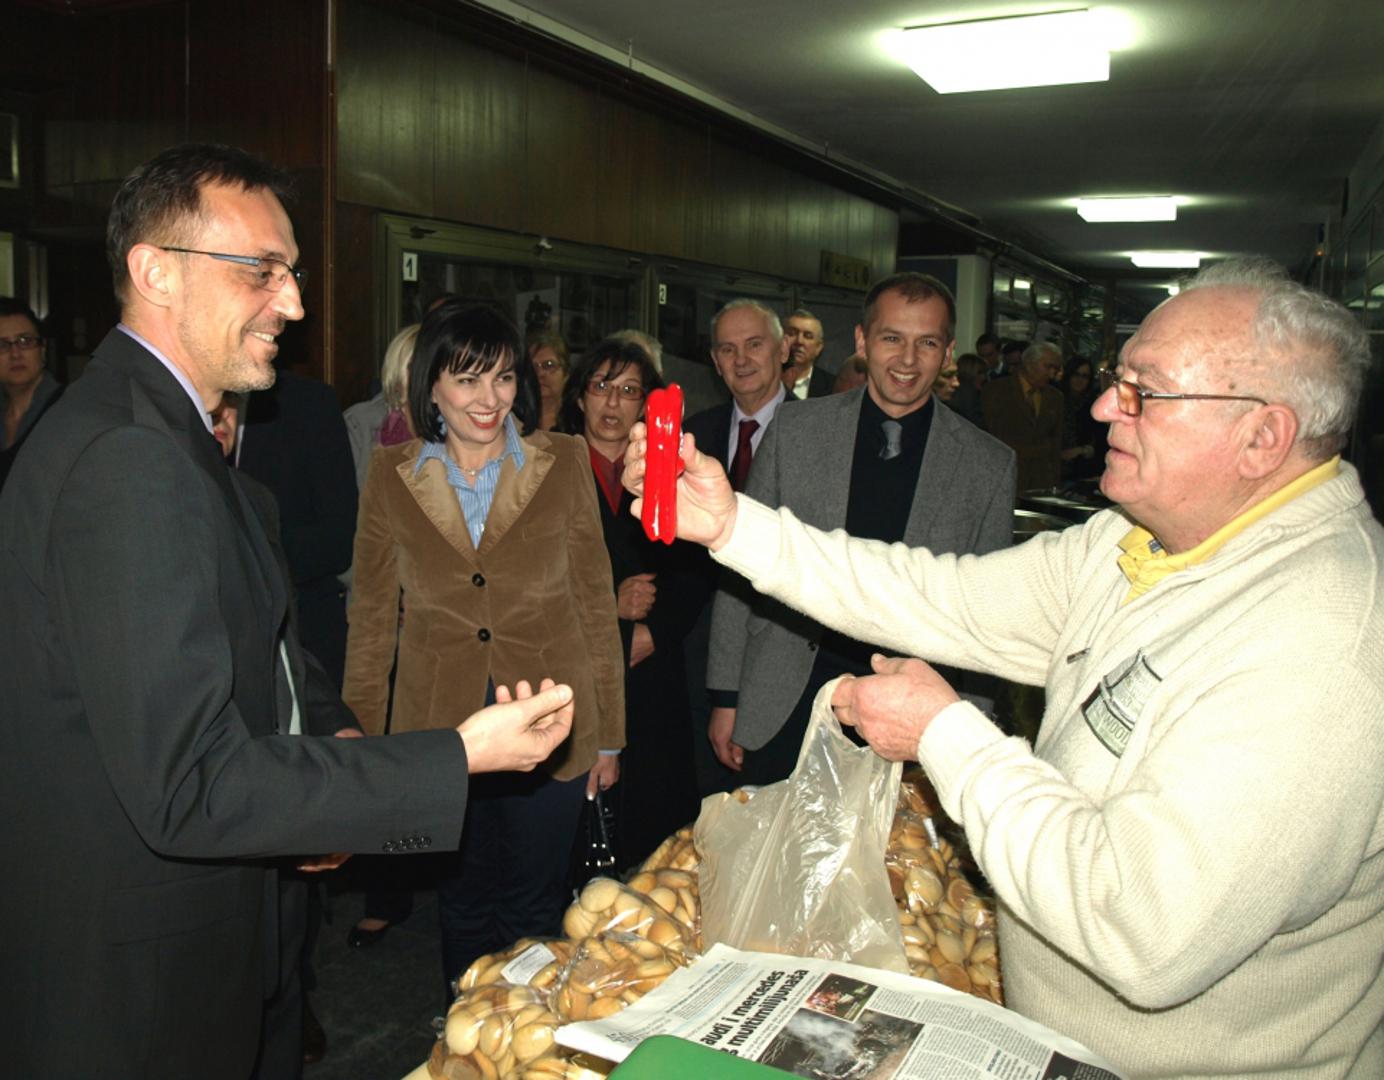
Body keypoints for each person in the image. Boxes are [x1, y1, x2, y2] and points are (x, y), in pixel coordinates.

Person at [622, 257, 1384, 1079]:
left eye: (1145, 392)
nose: (1102, 407)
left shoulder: (1320, 636)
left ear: (1262, 437)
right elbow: (937, 596)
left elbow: (1141, 929)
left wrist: (944, 734)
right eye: (1117, 381)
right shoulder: (1140, 543)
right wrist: (733, 526)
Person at [0, 142, 575, 1080]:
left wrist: (333, 731)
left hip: (225, 936)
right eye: (261, 271)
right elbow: (190, 782)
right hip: (143, 983)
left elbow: (261, 646)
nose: (294, 304)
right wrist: (457, 755)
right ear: (156, 271)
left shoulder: (171, 436)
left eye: (292, 274)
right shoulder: (127, 458)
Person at [342, 299, 624, 988]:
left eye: (502, 377)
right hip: (442, 726)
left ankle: (526, 1033)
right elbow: (371, 620)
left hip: (551, 719)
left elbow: (595, 602)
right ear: (431, 386)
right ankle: (468, 1030)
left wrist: (609, 737)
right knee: (462, 903)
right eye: (467, 379)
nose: (488, 399)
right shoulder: (392, 475)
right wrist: (362, 749)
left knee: (535, 904)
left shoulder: (563, 460)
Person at [705, 272, 1015, 785]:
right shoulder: (796, 431)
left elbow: (987, 618)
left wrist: (966, 736)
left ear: (948, 352)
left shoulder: (987, 466)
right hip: (784, 695)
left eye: (927, 343)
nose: (907, 360)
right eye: (892, 338)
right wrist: (726, 695)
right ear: (862, 341)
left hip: (906, 712)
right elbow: (740, 563)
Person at [558, 336, 703, 867]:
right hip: (576, 668)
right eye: (602, 386)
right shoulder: (548, 468)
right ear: (580, 396)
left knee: (655, 838)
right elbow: (530, 579)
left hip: (653, 665)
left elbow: (696, 572)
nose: (613, 402)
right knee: (578, 835)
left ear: (647, 404)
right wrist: (608, 606)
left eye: (629, 391)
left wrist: (653, 632)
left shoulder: (671, 471)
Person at [682, 299, 790, 794]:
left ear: (783, 350)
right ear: (714, 360)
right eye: (728, 349)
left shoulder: (819, 434)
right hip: (701, 649)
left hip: (785, 647)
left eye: (754, 344)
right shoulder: (693, 435)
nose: (741, 359)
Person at [344, 323, 420, 493]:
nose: (424, 376)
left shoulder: (456, 425)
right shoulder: (359, 423)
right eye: (415, 367)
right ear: (397, 371)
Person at [981, 340, 1064, 492]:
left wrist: (1054, 481)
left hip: (1041, 481)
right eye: (1048, 367)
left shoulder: (1055, 397)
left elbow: (1056, 441)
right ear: (1030, 364)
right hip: (1005, 476)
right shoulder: (996, 391)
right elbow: (988, 434)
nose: (1052, 373)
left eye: (1056, 369)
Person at [0, 297, 63, 490]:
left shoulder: (67, 409)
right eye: (3, 345)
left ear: (42, 349)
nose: (15, 354)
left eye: (25, 341)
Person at [1058, 355, 1105, 482]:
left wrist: (1083, 450)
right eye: (1076, 374)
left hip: (1082, 471)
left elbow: (1099, 440)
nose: (1080, 380)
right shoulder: (1055, 400)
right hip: (1053, 468)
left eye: (1085, 376)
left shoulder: (1094, 405)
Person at [781, 308, 833, 399]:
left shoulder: (832, 387)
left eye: (808, 336)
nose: (799, 341)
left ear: (819, 347)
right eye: (792, 333)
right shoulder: (762, 378)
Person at [527, 328, 569, 430]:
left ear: (566, 374)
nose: (540, 373)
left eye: (549, 365)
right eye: (533, 367)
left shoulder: (579, 423)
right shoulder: (512, 423)